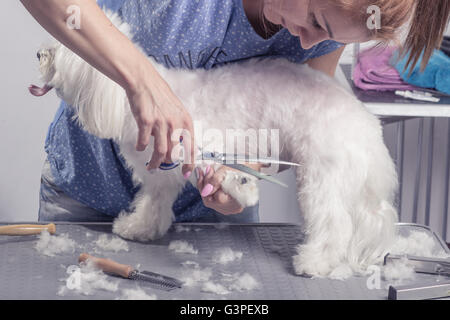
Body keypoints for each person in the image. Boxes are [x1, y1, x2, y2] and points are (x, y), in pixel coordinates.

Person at [21, 0, 449, 223]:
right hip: (82, 190)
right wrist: (143, 79)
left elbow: (286, 135)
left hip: (211, 225)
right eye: (317, 20)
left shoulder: (319, 38)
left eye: (328, 37)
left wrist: (242, 174)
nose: (307, 44)